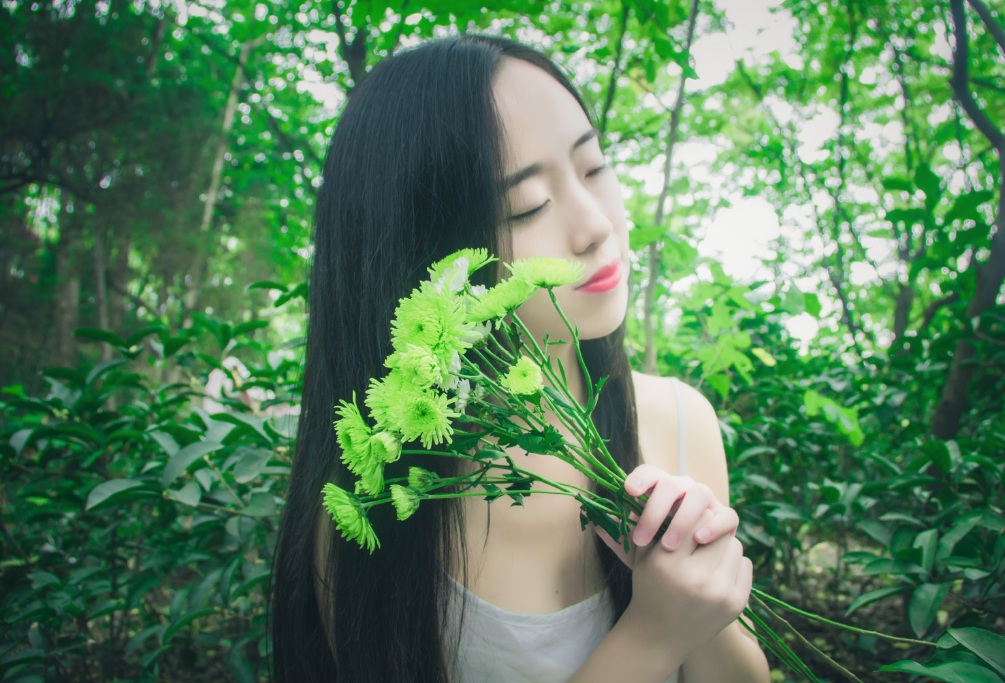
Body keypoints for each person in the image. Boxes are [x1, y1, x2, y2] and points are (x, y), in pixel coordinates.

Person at [271, 34, 770, 683]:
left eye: (595, 168)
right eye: (528, 204)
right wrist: (653, 634)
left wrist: (707, 609)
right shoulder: (370, 510)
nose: (597, 225)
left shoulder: (677, 421)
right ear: (426, 259)